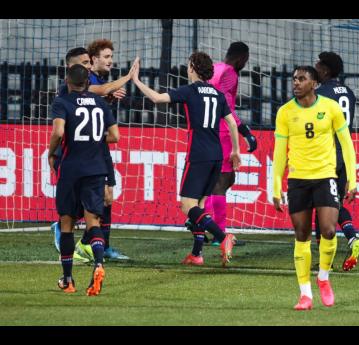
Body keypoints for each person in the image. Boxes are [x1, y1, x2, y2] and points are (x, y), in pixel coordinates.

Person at [132, 51, 241, 266]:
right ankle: (197, 254)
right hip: (217, 155)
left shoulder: (190, 91)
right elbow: (232, 123)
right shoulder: (218, 94)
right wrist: (236, 150)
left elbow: (156, 98)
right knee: (199, 206)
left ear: (192, 68)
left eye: (188, 65)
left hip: (198, 154)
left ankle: (222, 237)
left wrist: (135, 80)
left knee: (186, 205)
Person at [272, 66, 357, 310]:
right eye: (294, 79)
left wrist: (352, 179)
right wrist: (276, 187)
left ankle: (323, 278)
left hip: (326, 176)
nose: (296, 83)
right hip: (298, 180)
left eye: (301, 79)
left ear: (314, 83)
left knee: (329, 230)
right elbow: (279, 153)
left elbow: (347, 145)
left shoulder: (330, 108)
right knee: (301, 235)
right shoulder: (285, 112)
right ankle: (305, 294)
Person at [51, 46, 138, 262]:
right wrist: (128, 77)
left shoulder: (91, 88)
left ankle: (92, 245)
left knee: (106, 198)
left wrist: (108, 99)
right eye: (84, 63)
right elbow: (98, 93)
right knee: (81, 206)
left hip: (96, 153)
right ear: (70, 68)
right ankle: (67, 234)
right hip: (76, 154)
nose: (87, 67)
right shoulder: (67, 90)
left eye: (89, 63)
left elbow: (98, 100)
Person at [48, 64, 119, 295]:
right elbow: (115, 136)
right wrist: (95, 138)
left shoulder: (63, 102)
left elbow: (58, 132)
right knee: (93, 223)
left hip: (71, 170)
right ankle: (98, 264)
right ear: (88, 82)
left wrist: (51, 153)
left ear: (68, 81)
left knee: (66, 224)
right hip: (96, 169)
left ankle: (68, 279)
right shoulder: (101, 103)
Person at [202, 42, 257, 247]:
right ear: (242, 58)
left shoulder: (214, 68)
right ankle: (219, 234)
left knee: (210, 181)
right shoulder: (231, 73)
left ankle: (201, 222)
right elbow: (225, 105)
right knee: (223, 181)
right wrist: (245, 132)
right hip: (223, 131)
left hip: (206, 130)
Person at [314, 51, 359, 271]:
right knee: (335, 205)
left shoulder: (321, 93)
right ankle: (351, 240)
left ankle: (331, 256)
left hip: (327, 154)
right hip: (345, 153)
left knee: (321, 205)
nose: (315, 67)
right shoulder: (349, 93)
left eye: (318, 64)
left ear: (325, 69)